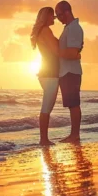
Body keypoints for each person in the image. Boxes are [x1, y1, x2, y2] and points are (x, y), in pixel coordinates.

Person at [31, 7, 63, 146]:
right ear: (46, 16)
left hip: (48, 72)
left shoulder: (43, 31)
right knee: (46, 107)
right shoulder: (45, 31)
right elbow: (56, 51)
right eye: (52, 16)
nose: (54, 18)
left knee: (48, 107)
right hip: (49, 73)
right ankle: (43, 139)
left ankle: (44, 139)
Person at [55, 0, 84, 144]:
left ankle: (75, 135)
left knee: (74, 104)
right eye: (56, 16)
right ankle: (74, 134)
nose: (58, 18)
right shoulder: (69, 28)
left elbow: (72, 53)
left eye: (59, 15)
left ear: (67, 11)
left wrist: (55, 52)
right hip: (67, 71)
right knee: (72, 104)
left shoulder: (74, 28)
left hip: (70, 71)